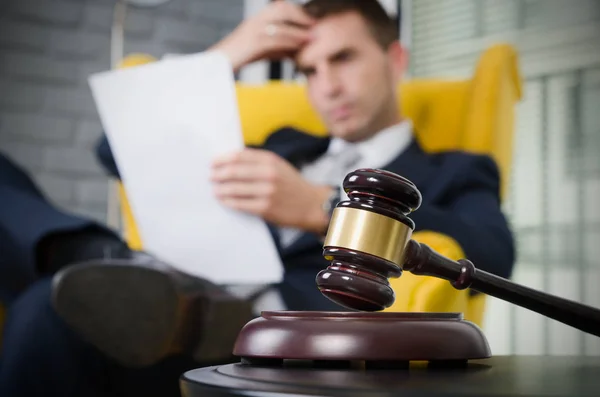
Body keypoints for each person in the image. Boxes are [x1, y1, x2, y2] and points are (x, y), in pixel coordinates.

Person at [0, 1, 515, 396]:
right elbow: (117, 149)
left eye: (343, 58)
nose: (328, 86)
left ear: (394, 59)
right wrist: (223, 58)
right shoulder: (284, 144)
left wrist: (321, 208)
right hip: (164, 292)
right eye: (309, 70)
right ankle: (97, 256)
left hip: (266, 339)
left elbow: (491, 251)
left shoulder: (453, 169)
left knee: (47, 306)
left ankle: (102, 264)